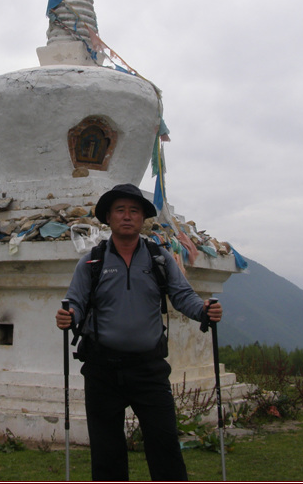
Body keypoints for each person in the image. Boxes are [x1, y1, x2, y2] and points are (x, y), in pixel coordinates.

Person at [55, 183, 223, 481]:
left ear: (143, 218)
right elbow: (77, 302)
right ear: (108, 217)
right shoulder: (91, 263)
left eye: (134, 210)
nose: (127, 216)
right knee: (107, 453)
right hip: (102, 369)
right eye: (120, 210)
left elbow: (183, 296)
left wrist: (204, 310)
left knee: (164, 445)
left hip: (149, 369)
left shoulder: (160, 259)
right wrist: (69, 316)